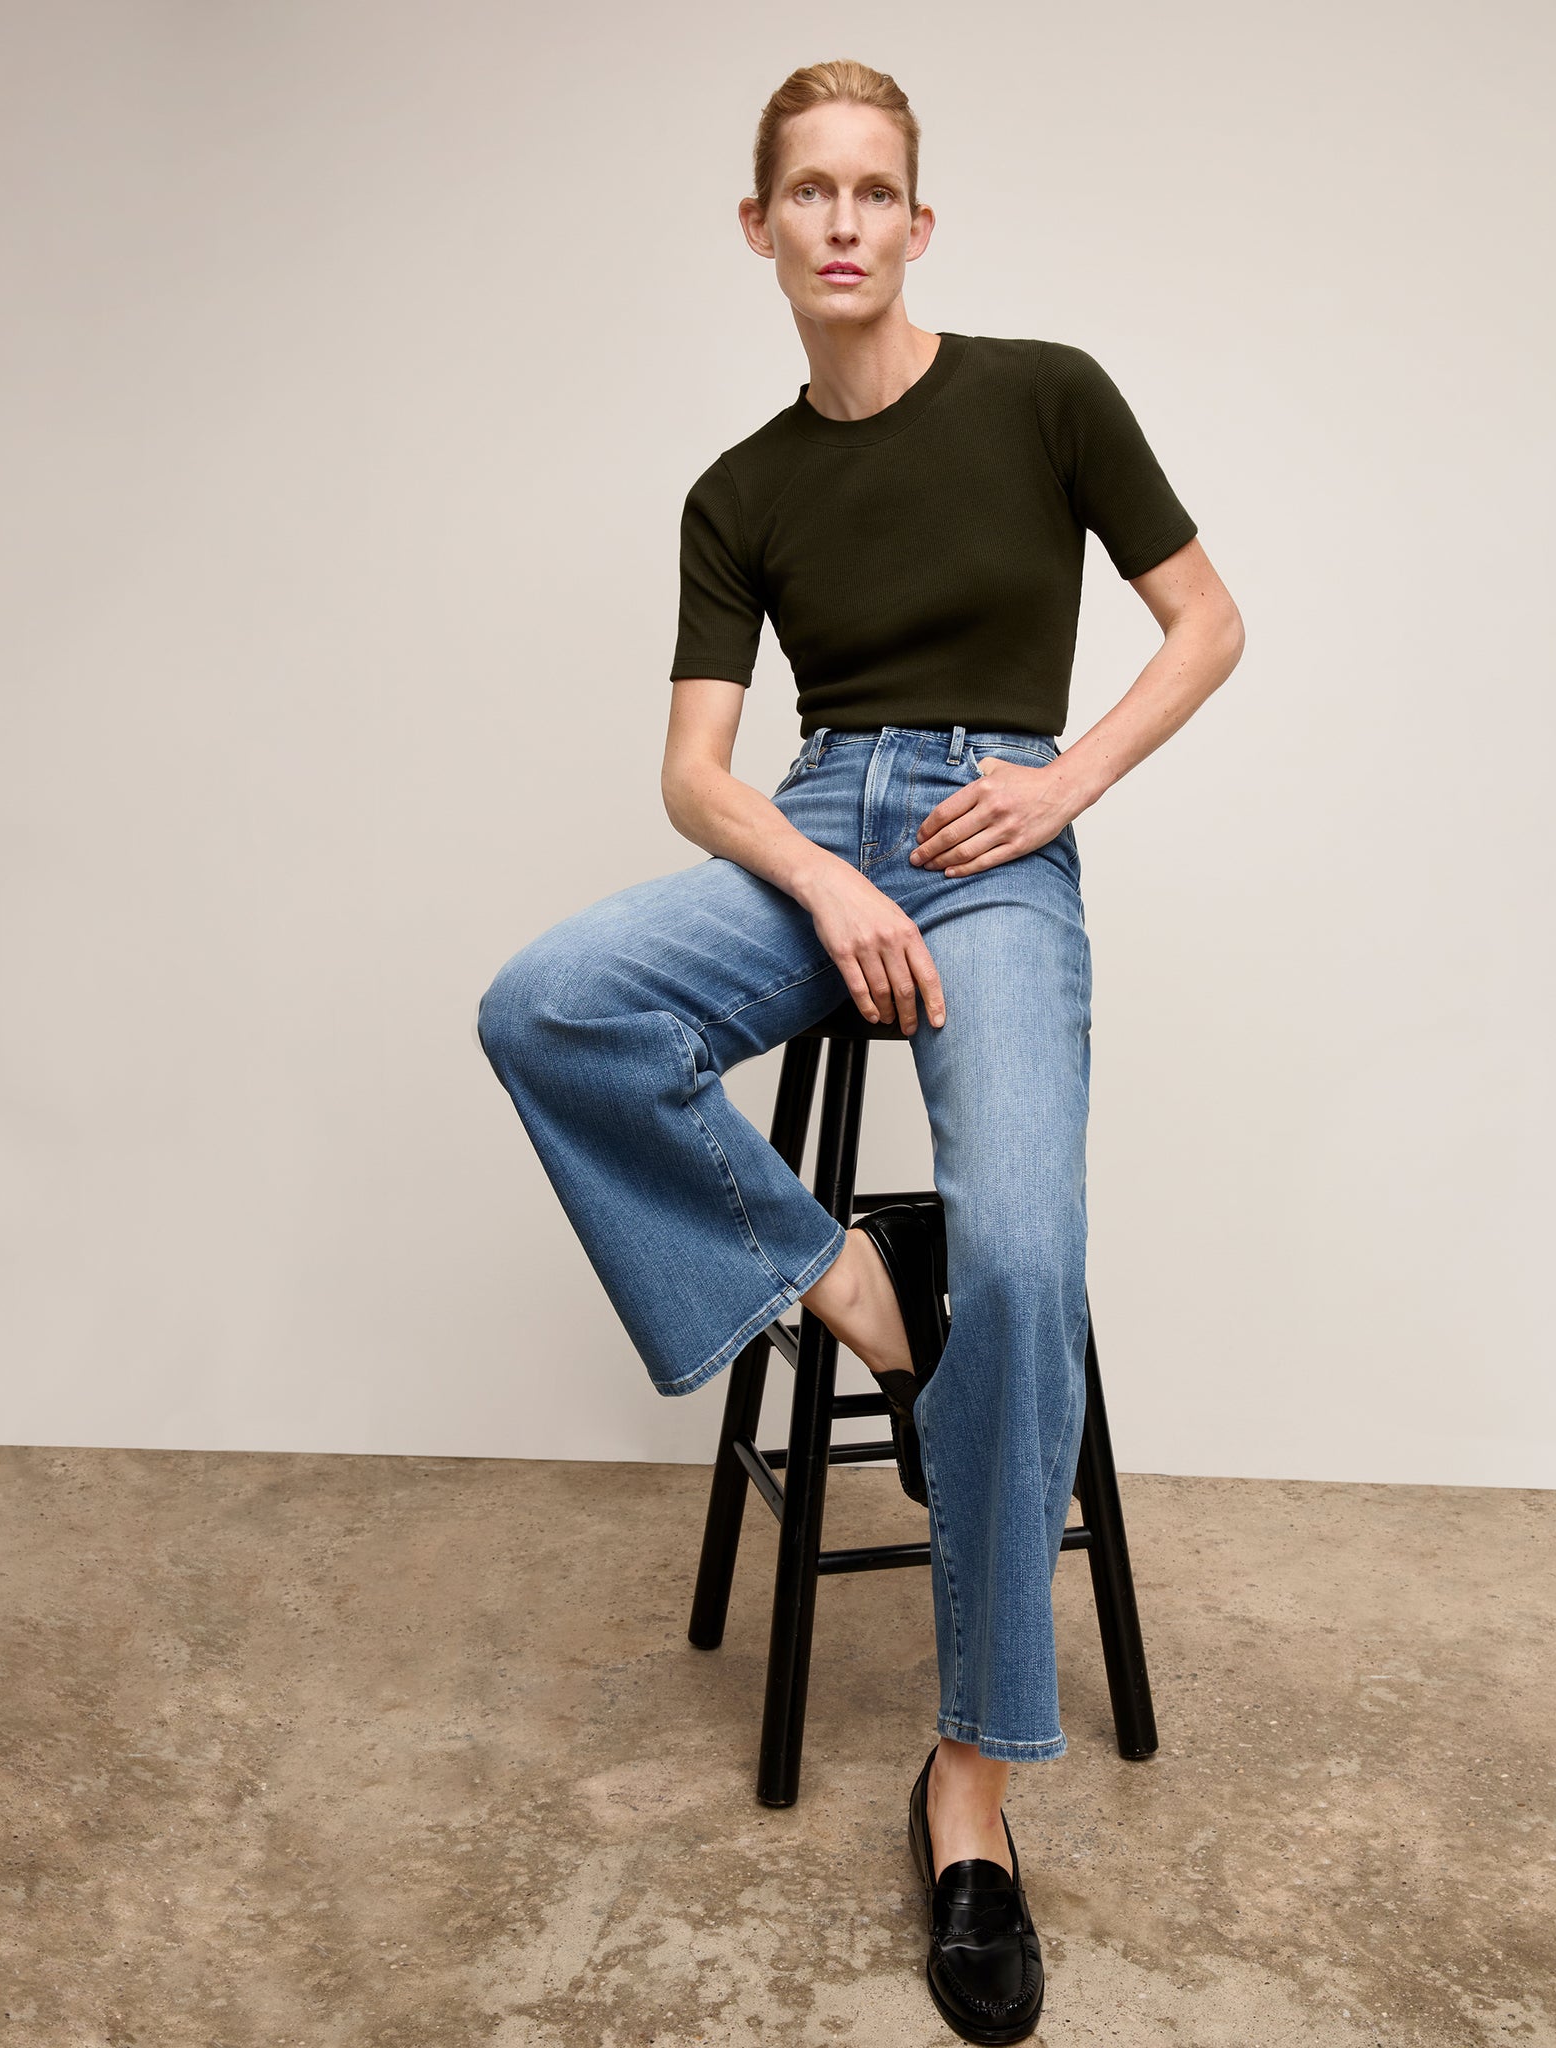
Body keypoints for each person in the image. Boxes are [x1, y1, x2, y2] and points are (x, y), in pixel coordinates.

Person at [477, 57, 1244, 2046]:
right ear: (757, 229)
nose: (838, 221)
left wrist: (1061, 783)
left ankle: (969, 1790)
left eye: (872, 191)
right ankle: (844, 1284)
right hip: (817, 827)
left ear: (918, 221)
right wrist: (826, 892)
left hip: (998, 841)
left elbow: (1205, 621)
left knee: (1027, 1261)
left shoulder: (1044, 392)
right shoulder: (738, 490)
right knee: (549, 1003)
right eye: (804, 191)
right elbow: (689, 775)